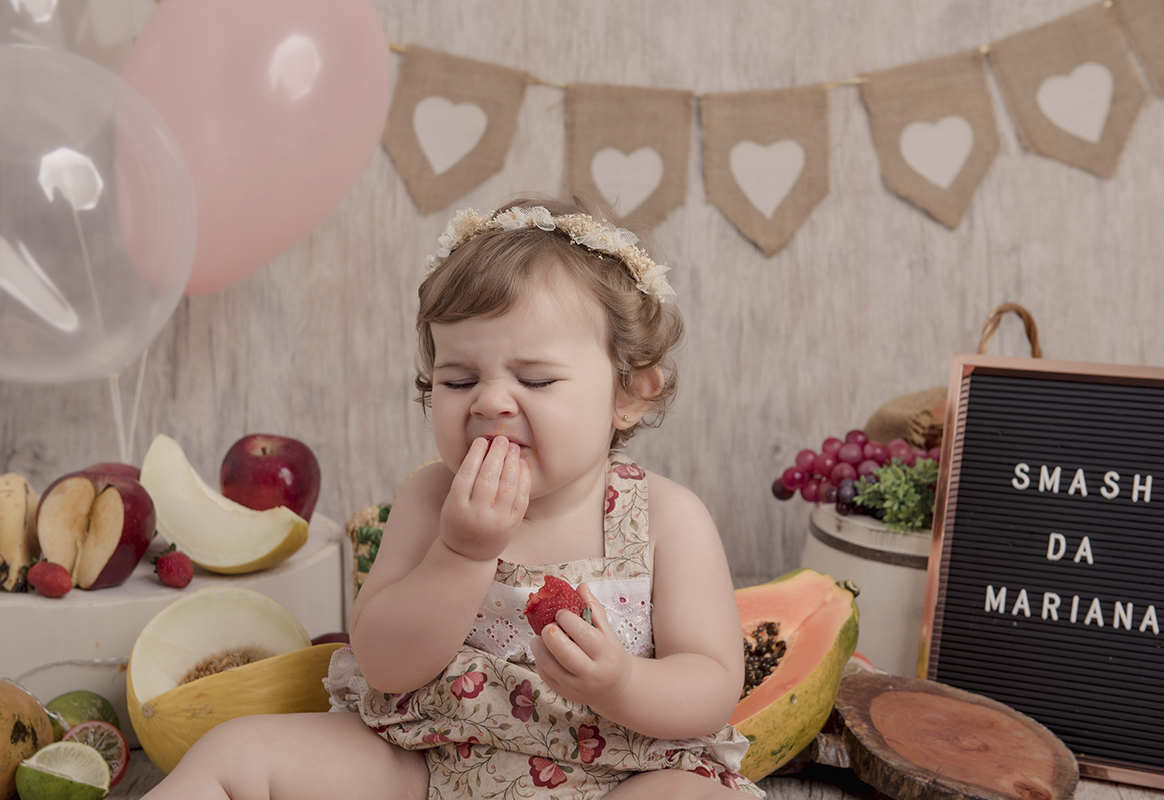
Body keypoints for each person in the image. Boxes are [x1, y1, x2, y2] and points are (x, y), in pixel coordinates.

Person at [146, 197, 763, 799]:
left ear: (629, 393)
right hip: (429, 765)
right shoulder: (429, 496)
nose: (490, 402)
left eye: (536, 379)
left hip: (621, 773)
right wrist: (461, 553)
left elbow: (710, 685)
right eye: (459, 379)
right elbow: (385, 663)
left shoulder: (666, 518)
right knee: (235, 754)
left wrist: (622, 681)